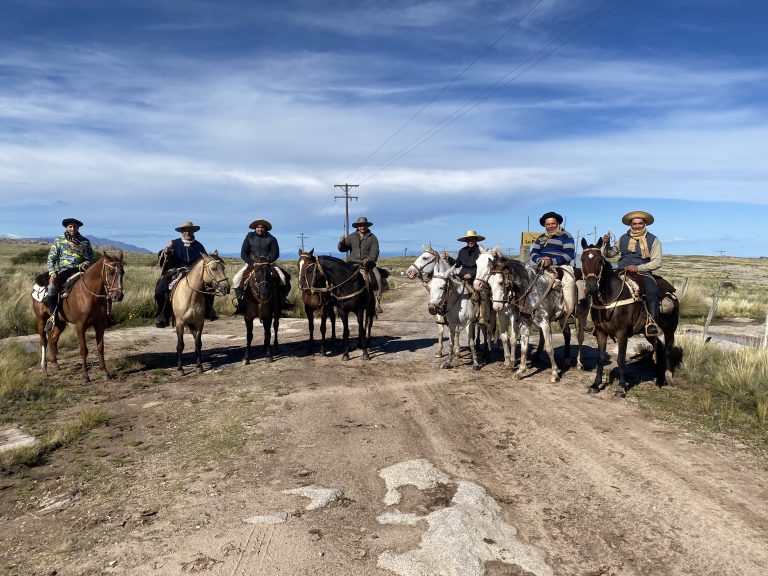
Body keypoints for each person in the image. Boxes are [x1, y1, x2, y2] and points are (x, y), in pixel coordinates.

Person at [602, 210, 662, 336]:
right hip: (621, 271)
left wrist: (638, 268)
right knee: (600, 287)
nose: (637, 226)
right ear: (630, 225)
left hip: (642, 272)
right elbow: (609, 254)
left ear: (645, 224)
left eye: (640, 223)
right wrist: (606, 243)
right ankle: (599, 322)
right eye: (634, 224)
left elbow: (657, 262)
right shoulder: (623, 238)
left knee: (652, 291)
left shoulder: (654, 240)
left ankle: (652, 323)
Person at [155, 220, 215, 328]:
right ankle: (162, 315)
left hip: (194, 273)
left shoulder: (198, 246)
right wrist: (167, 249)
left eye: (189, 230)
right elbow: (162, 255)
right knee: (160, 289)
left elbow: (205, 259)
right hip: (176, 271)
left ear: (193, 231)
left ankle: (209, 311)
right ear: (182, 232)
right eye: (184, 230)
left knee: (210, 287)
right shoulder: (175, 243)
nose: (187, 232)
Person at [45, 218, 95, 331]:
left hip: (81, 271)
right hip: (64, 271)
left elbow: (91, 258)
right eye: (70, 226)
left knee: (99, 285)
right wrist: (52, 272)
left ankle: (105, 314)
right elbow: (51, 259)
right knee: (52, 288)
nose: (72, 228)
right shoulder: (59, 240)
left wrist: (85, 263)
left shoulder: (84, 241)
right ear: (66, 228)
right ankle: (53, 317)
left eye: (75, 227)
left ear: (78, 228)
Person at [232, 218, 291, 313]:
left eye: (262, 227)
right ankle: (241, 303)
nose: (260, 229)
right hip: (252, 264)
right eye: (258, 227)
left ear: (266, 228)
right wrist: (251, 263)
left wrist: (268, 261)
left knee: (283, 278)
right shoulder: (249, 238)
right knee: (236, 280)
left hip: (269, 264)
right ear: (255, 228)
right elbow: (243, 253)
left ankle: (282, 301)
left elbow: (276, 253)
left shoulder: (272, 239)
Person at [528, 211, 577, 322]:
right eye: (548, 224)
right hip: (541, 266)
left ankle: (569, 313)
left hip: (561, 266)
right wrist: (540, 260)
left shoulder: (566, 236)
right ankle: (527, 308)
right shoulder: (541, 238)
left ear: (558, 223)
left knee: (569, 283)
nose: (550, 226)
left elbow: (569, 254)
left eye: (553, 223)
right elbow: (534, 252)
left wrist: (552, 261)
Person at [441, 230, 490, 324]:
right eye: (468, 239)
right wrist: (448, 258)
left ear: (476, 240)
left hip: (476, 276)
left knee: (482, 293)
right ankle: (445, 313)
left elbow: (482, 267)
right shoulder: (462, 251)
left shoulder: (481, 252)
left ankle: (482, 316)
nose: (470, 241)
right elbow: (457, 264)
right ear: (466, 241)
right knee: (447, 288)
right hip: (462, 276)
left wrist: (471, 274)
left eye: (472, 239)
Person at [338, 216, 383, 313]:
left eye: (364, 225)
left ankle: (377, 302)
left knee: (378, 278)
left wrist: (370, 260)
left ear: (367, 225)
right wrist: (341, 243)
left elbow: (375, 252)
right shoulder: (351, 236)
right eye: (360, 225)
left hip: (368, 264)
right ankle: (336, 300)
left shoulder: (372, 237)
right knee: (338, 276)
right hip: (352, 263)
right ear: (357, 226)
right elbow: (343, 249)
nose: (362, 227)